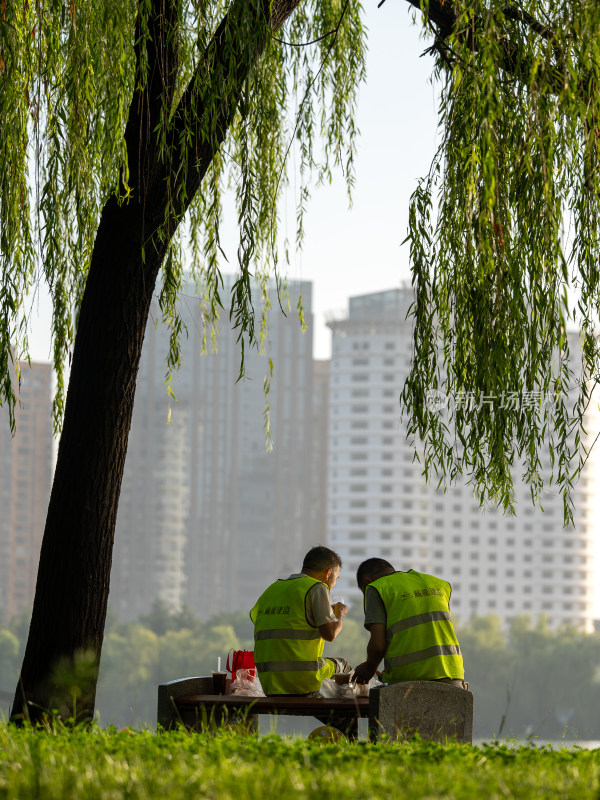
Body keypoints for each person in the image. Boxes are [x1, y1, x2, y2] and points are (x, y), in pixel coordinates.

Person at [352, 558, 467, 689]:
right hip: (453, 675)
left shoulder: (376, 588)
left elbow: (378, 645)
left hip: (409, 682)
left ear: (367, 581)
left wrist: (370, 666)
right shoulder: (437, 584)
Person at [250, 545, 350, 697]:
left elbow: (285, 622)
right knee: (344, 666)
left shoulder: (272, 589)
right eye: (336, 578)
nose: (334, 583)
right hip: (302, 682)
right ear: (328, 573)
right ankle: (347, 718)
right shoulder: (317, 588)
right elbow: (330, 634)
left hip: (270, 685)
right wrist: (340, 615)